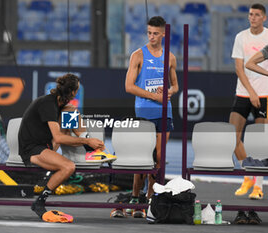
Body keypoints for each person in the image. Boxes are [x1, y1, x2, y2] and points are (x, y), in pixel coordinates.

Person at [18, 73, 116, 221]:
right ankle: (39, 202)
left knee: (71, 111)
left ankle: (91, 149)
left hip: (46, 144)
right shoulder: (48, 104)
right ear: (73, 92)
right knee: (68, 167)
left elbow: (60, 133)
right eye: (76, 91)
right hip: (32, 149)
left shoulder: (60, 104)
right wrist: (86, 142)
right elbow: (58, 138)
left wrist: (86, 140)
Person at [110, 16, 178, 218]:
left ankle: (150, 198)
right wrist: (154, 96)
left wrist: (170, 91)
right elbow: (128, 86)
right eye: (149, 32)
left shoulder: (171, 57)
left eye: (156, 33)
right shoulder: (138, 55)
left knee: (159, 157)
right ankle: (134, 196)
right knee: (142, 158)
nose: (152, 36)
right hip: (145, 111)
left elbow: (175, 84)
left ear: (163, 34)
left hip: (165, 112)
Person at [230, 3, 268, 201]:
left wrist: (258, 93)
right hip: (244, 93)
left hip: (265, 95)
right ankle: (248, 175)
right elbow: (240, 68)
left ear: (264, 18)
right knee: (232, 136)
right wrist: (251, 92)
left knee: (259, 142)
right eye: (250, 14)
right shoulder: (241, 37)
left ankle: (258, 187)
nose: (252, 17)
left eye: (256, 15)